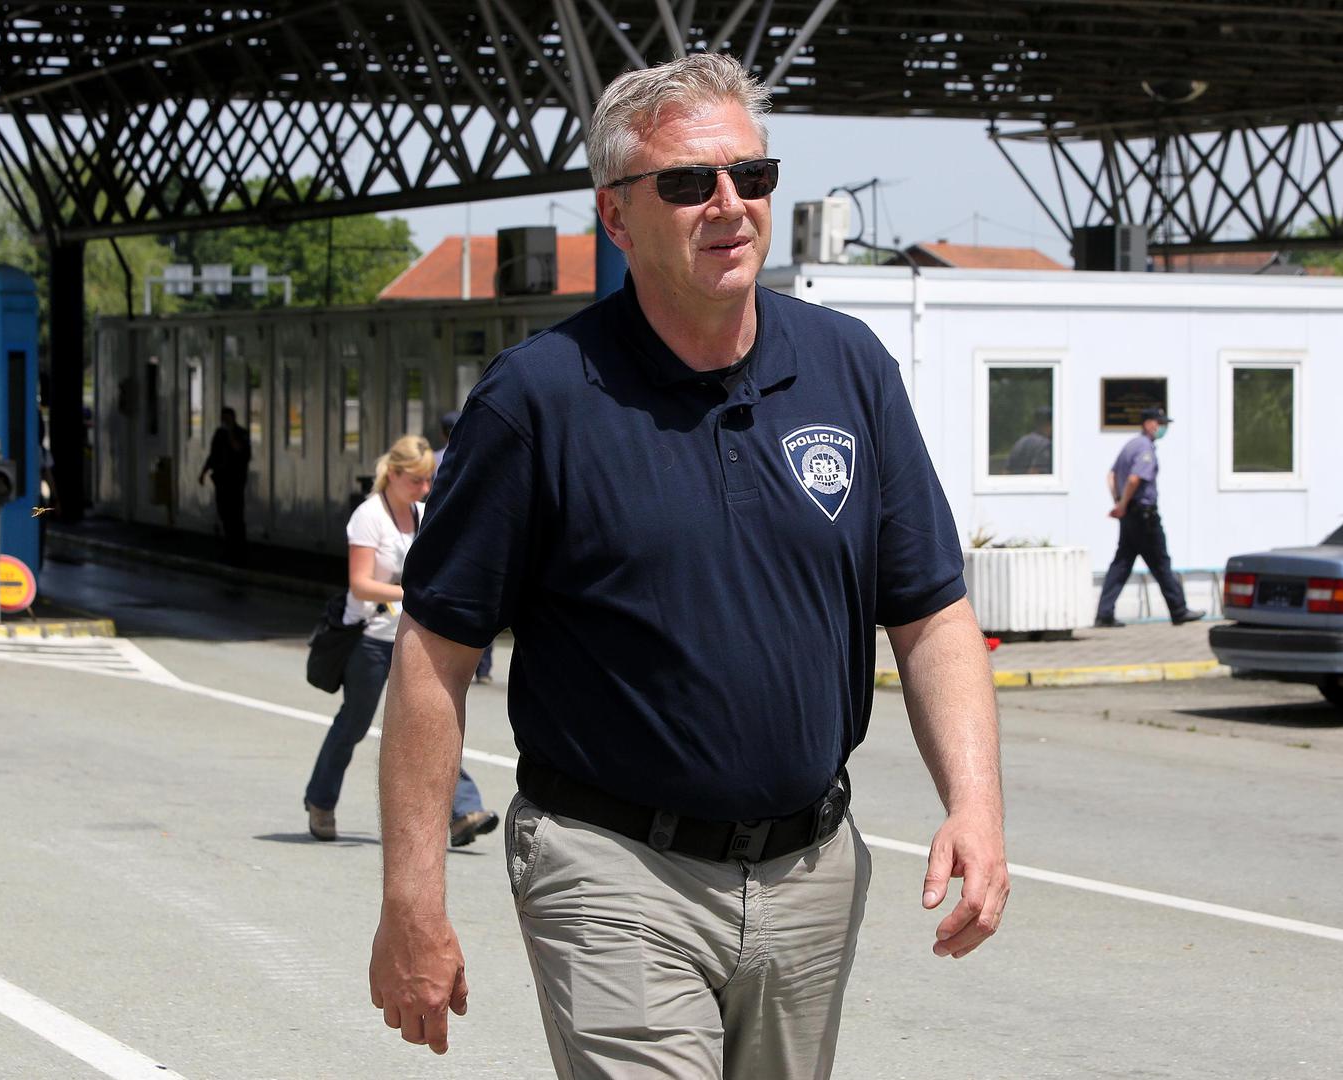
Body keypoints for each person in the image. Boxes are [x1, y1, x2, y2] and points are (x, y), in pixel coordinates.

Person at [368, 54, 1008, 1076]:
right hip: (613, 869)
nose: (728, 204)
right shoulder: (536, 401)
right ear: (615, 217)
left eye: (750, 175)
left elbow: (930, 614)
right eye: (686, 183)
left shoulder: (849, 369)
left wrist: (974, 807)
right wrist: (413, 901)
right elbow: (433, 654)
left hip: (810, 874)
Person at [303, 434, 499, 847]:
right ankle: (320, 801)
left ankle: (463, 811)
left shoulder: (424, 513)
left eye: (428, 480)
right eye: (416, 480)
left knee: (429, 721)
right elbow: (360, 585)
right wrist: (412, 593)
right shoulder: (368, 517)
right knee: (354, 724)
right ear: (392, 474)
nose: (424, 488)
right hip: (370, 638)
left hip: (410, 636)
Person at [1094, 406, 1205, 628]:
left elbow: (1111, 475)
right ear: (1148, 424)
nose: (1162, 428)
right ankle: (1179, 610)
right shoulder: (1144, 448)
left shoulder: (1131, 445)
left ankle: (1104, 613)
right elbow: (1134, 479)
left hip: (1130, 515)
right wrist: (1122, 505)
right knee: (1160, 562)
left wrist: (1119, 502)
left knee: (1122, 564)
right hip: (1143, 516)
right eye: (1159, 423)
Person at [433, 409, 492, 684]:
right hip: (478, 536)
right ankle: (483, 668)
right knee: (482, 602)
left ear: (443, 433)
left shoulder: (435, 458)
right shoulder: (483, 452)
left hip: (446, 537)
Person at [198, 406, 251, 563]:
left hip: (236, 481)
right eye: (223, 419)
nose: (225, 422)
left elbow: (240, 451)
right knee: (225, 515)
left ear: (233, 419)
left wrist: (230, 434)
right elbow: (213, 455)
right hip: (222, 480)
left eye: (227, 419)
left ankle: (240, 550)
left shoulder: (242, 433)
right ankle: (229, 548)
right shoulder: (219, 434)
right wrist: (203, 471)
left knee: (236, 515)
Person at [1005, 405, 1053, 474]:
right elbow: (1035, 473)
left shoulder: (1021, 441)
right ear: (1048, 423)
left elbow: (1006, 471)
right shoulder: (1046, 444)